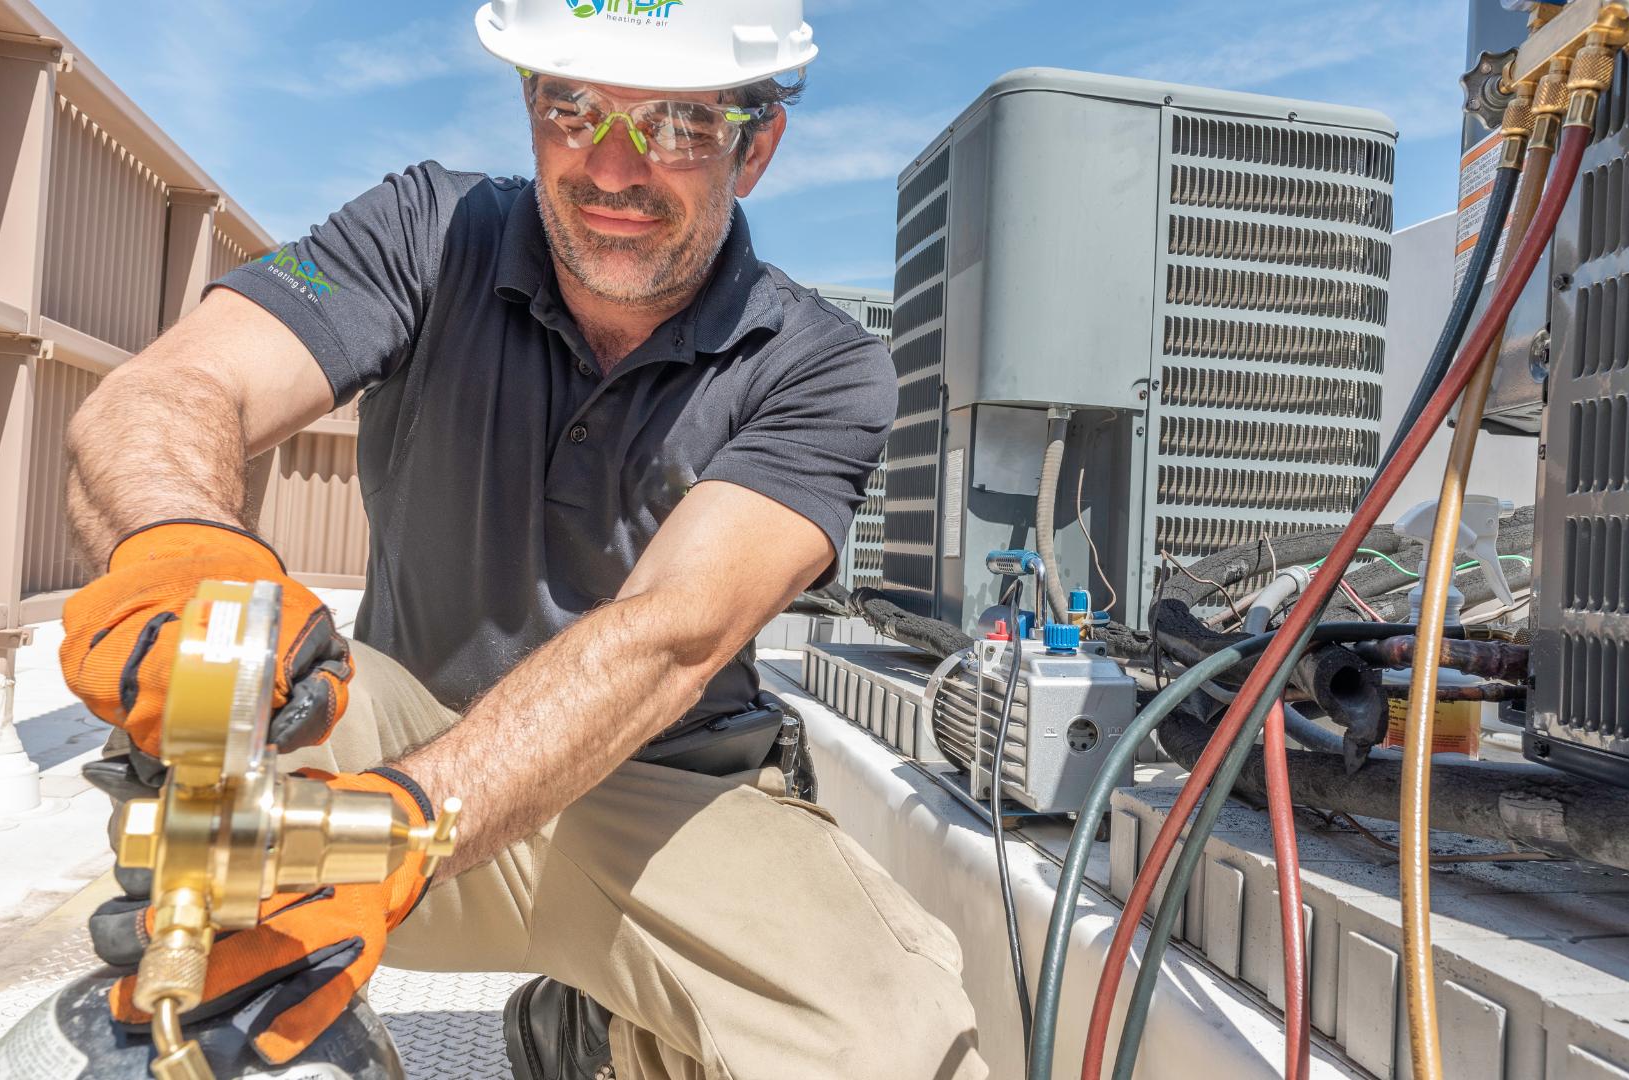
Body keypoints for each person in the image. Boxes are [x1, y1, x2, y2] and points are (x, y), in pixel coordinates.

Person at [57, 2, 988, 1077]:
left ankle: (596, 1025)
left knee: (896, 1037)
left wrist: (415, 820)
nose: (612, 168)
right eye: (573, 107)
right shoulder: (424, 230)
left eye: (679, 124)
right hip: (400, 740)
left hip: (658, 785)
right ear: (530, 105)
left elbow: (674, 633)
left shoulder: (817, 365)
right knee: (213, 746)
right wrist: (179, 546)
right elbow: (172, 390)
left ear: (758, 143)